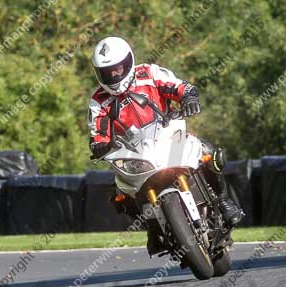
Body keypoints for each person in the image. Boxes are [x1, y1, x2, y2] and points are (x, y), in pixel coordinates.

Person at [87, 36, 243, 254]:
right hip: (135, 153)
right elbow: (98, 130)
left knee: (208, 152)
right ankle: (153, 228)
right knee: (120, 193)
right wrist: (99, 144)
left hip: (169, 134)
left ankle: (224, 201)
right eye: (107, 72)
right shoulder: (98, 100)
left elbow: (179, 86)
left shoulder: (149, 73)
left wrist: (188, 97)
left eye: (118, 68)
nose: (114, 75)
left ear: (129, 61)